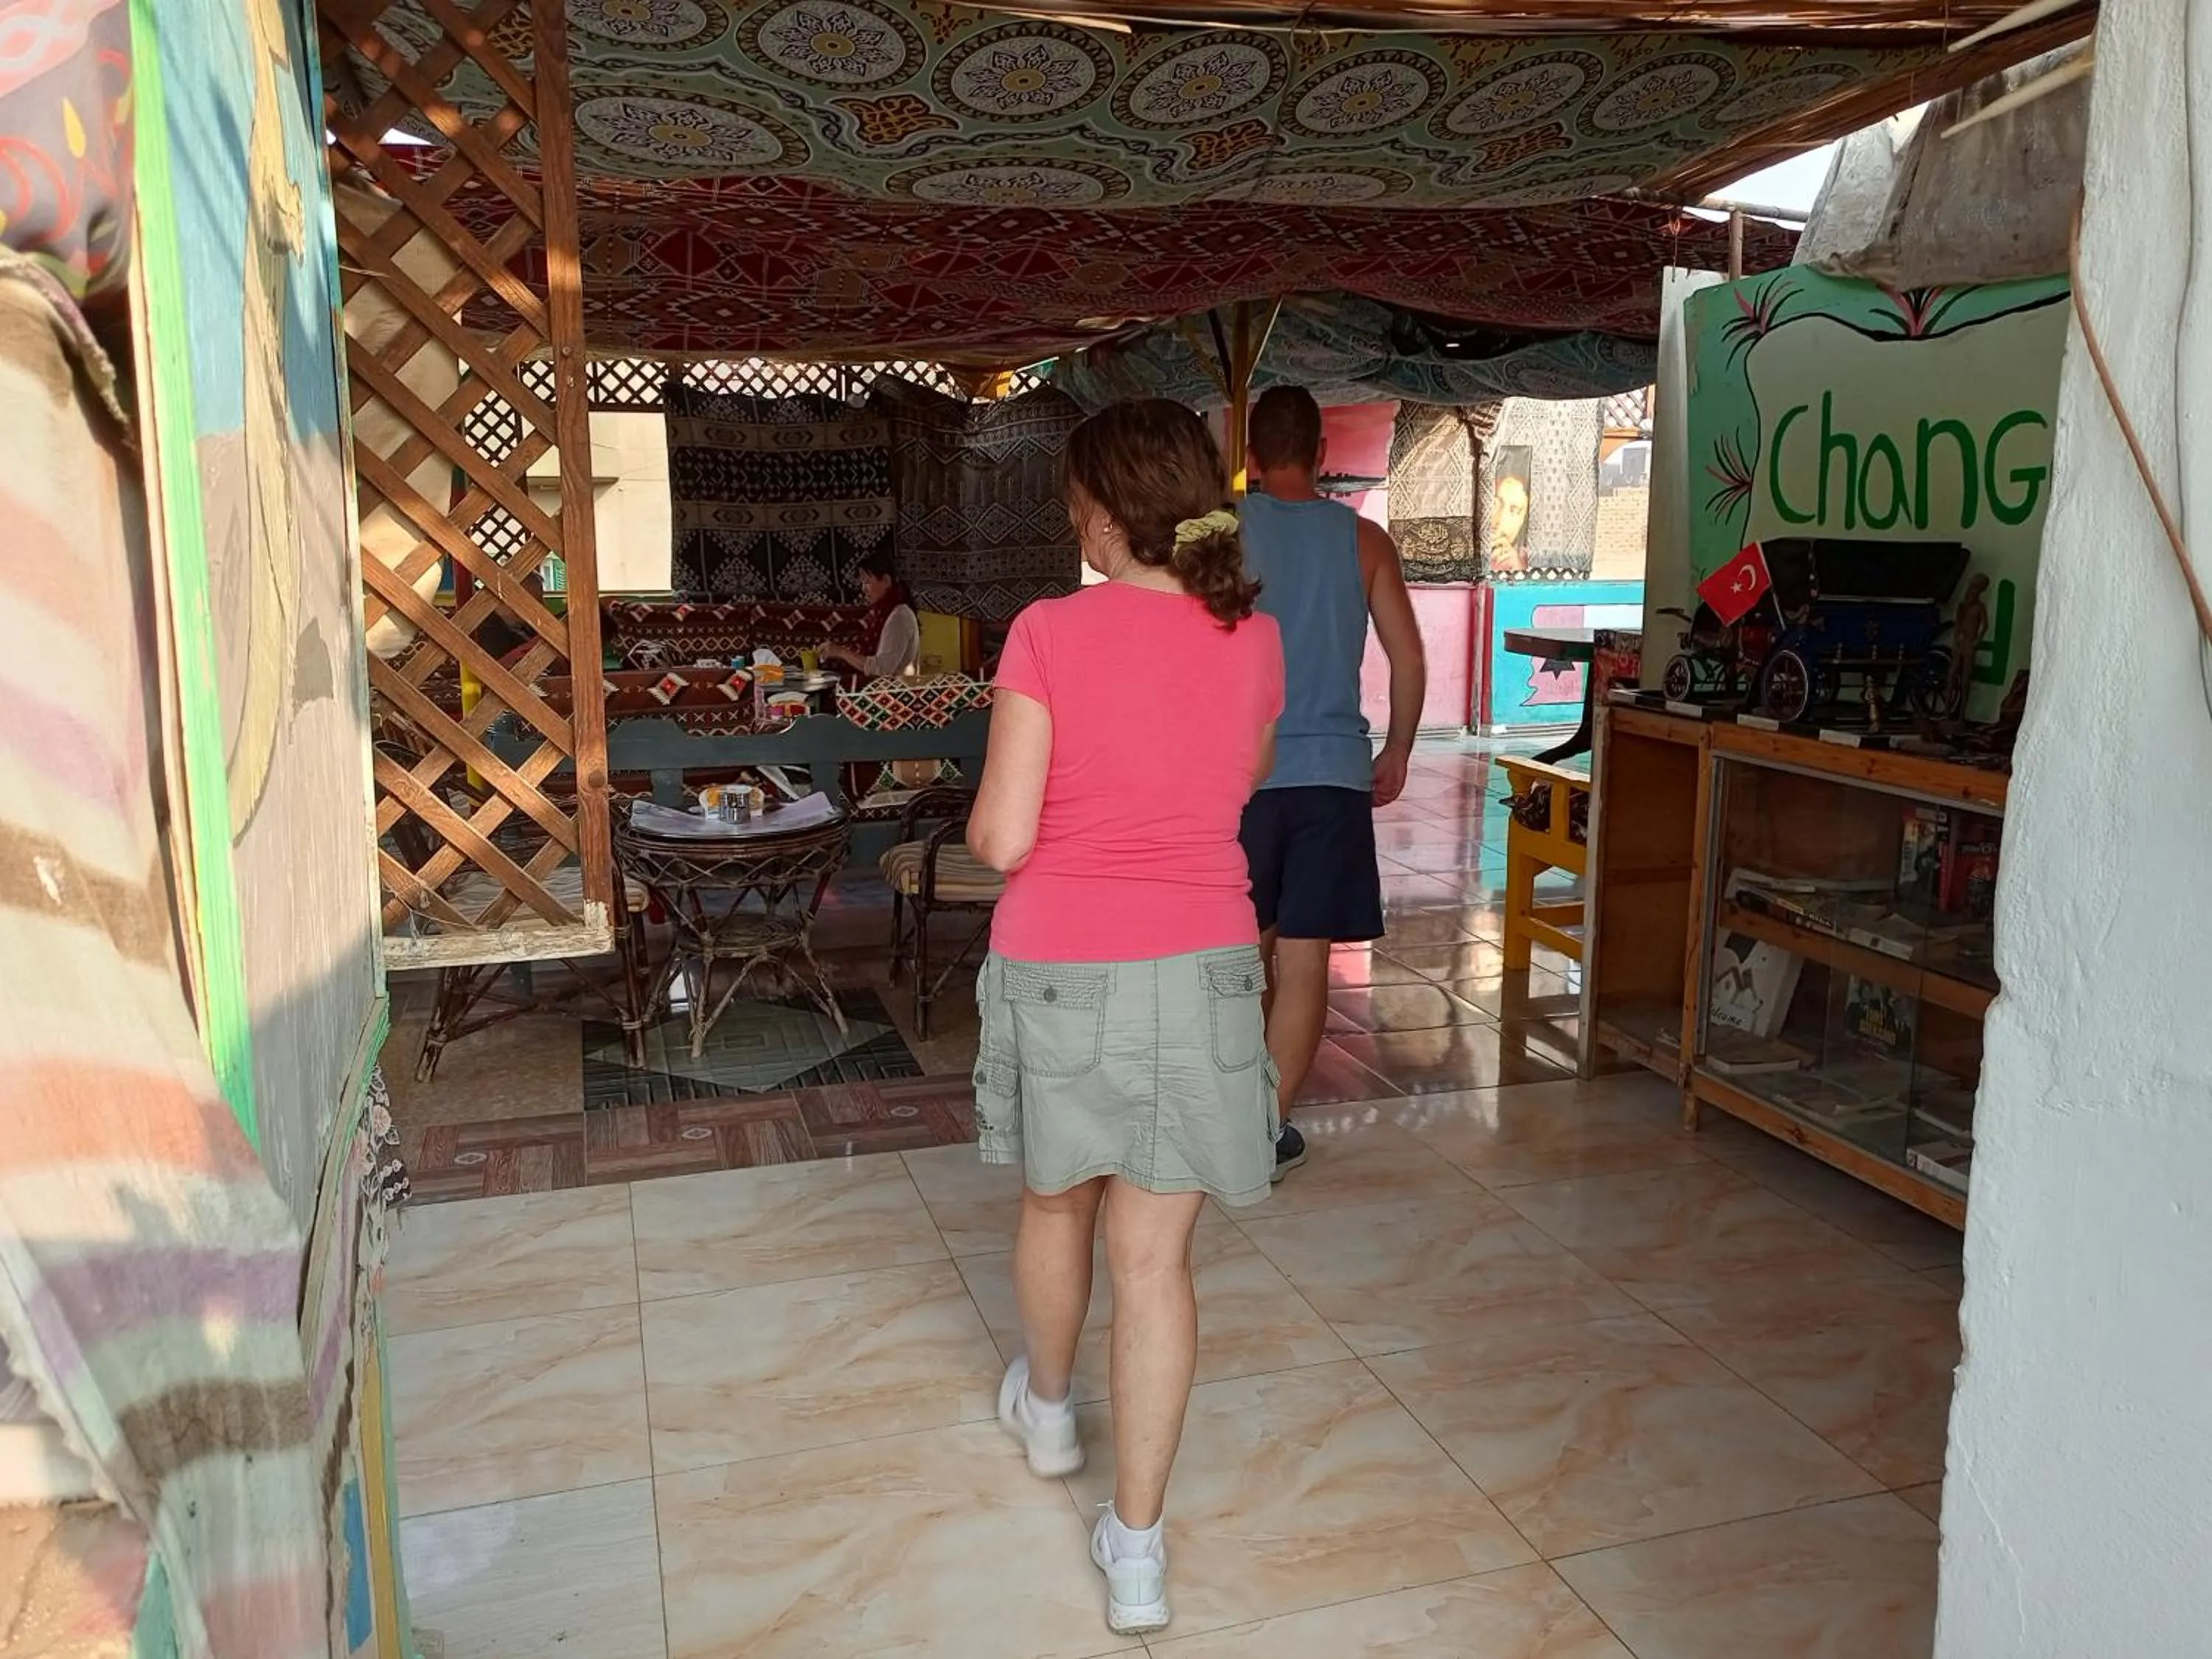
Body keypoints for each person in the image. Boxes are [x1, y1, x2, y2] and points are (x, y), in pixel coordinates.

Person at [966, 399, 1283, 1638]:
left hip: (1065, 963)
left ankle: (1048, 1418)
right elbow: (1234, 783)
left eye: (1072, 511)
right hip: (1205, 965)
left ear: (1103, 514)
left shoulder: (1047, 632)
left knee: (1057, 1200)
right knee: (1156, 1264)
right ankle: (1138, 1552)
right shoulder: (1251, 639)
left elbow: (1001, 836)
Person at [1238, 385, 1426, 1177]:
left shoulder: (1214, 535)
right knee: (1307, 960)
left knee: (1239, 958)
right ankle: (1262, 1137)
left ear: (1248, 457)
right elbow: (1409, 659)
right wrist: (1399, 751)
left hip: (1238, 779)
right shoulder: (1363, 539)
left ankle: (1224, 1111)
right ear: (1321, 455)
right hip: (1332, 779)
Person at [823, 548, 919, 678]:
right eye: (862, 582)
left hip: (893, 693)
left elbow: (882, 669)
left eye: (867, 582)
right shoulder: (886, 613)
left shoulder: (899, 617)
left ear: (886, 580)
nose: (863, 589)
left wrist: (841, 652)